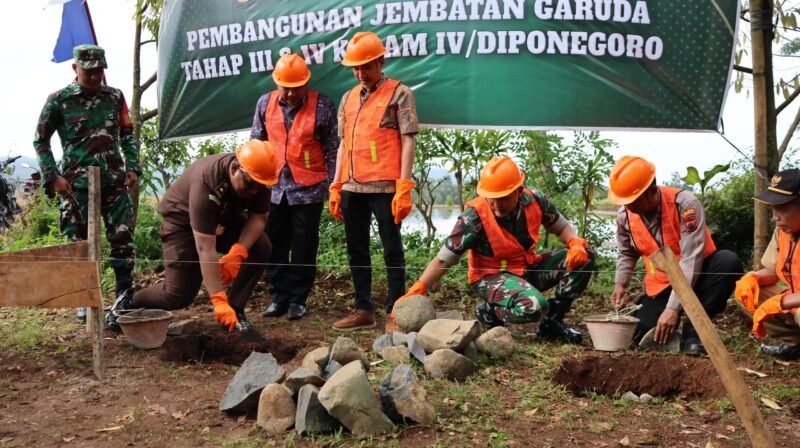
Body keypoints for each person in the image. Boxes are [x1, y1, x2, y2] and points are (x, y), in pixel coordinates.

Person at [395, 157, 595, 343]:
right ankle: (489, 311)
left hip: (526, 267)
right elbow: (444, 259)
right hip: (489, 276)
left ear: (519, 190)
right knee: (534, 307)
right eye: (491, 197)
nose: (496, 204)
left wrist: (574, 242)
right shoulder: (473, 218)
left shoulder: (534, 200)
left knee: (585, 256)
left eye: (504, 197)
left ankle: (553, 322)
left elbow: (561, 227)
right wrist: (419, 287)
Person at [105, 141, 278, 335]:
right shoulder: (208, 180)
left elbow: (259, 218)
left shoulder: (259, 178)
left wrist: (238, 251)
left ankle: (235, 310)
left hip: (221, 219)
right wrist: (217, 299)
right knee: (178, 295)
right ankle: (129, 300)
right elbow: (206, 247)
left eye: (260, 187)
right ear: (236, 168)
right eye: (250, 184)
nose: (254, 191)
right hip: (182, 223)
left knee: (260, 245)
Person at [33, 44, 139, 323]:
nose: (94, 77)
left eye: (99, 71)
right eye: (88, 71)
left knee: (123, 238)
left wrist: (133, 168)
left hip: (114, 182)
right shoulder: (59, 100)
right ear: (75, 69)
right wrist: (52, 176)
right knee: (78, 243)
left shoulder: (115, 97)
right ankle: (82, 297)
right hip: (75, 185)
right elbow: (40, 140)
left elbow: (127, 134)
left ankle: (123, 299)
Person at [328, 32, 418, 333]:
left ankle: (396, 311)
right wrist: (336, 184)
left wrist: (404, 186)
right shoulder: (348, 98)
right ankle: (363, 309)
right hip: (353, 186)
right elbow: (343, 144)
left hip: (385, 187)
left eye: (366, 66)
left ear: (381, 61)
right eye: (355, 68)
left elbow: (407, 141)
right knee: (357, 249)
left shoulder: (400, 93)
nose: (360, 73)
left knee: (392, 248)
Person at [608, 156, 742, 355]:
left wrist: (673, 309)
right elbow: (627, 252)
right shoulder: (625, 216)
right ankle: (656, 312)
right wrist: (620, 285)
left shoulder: (685, 205)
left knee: (728, 262)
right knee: (640, 334)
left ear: (650, 191)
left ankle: (695, 331)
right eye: (624, 202)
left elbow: (691, 259)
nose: (628, 207)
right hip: (662, 284)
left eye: (632, 201)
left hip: (699, 275)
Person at [250, 54, 339, 321]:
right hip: (273, 188)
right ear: (276, 83)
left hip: (309, 188)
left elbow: (332, 148)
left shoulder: (322, 105)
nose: (289, 93)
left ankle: (298, 300)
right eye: (284, 87)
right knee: (274, 243)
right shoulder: (264, 103)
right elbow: (256, 141)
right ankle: (279, 298)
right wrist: (254, 182)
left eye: (295, 87)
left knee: (304, 245)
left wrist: (333, 185)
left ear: (306, 83)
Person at [735, 168, 800, 360]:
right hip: (795, 297)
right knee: (751, 292)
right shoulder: (783, 232)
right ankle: (795, 344)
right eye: (773, 208)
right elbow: (772, 271)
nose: (775, 217)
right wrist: (752, 279)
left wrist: (779, 302)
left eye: (783, 207)